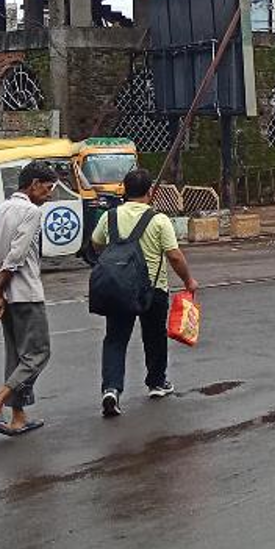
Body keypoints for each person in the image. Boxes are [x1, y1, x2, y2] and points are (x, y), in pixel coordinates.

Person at [91, 168, 199, 417]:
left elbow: (96, 244)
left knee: (116, 339)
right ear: (151, 192)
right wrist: (188, 280)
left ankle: (111, 389)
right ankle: (156, 382)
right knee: (154, 336)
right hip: (153, 288)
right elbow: (174, 255)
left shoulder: (110, 217)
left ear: (124, 191)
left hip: (118, 289)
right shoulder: (159, 220)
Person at [0, 160, 58, 437]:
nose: (49, 195)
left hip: (7, 297)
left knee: (16, 355)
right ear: (33, 185)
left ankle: (18, 417)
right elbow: (16, 257)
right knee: (38, 354)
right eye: (47, 189)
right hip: (26, 295)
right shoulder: (31, 212)